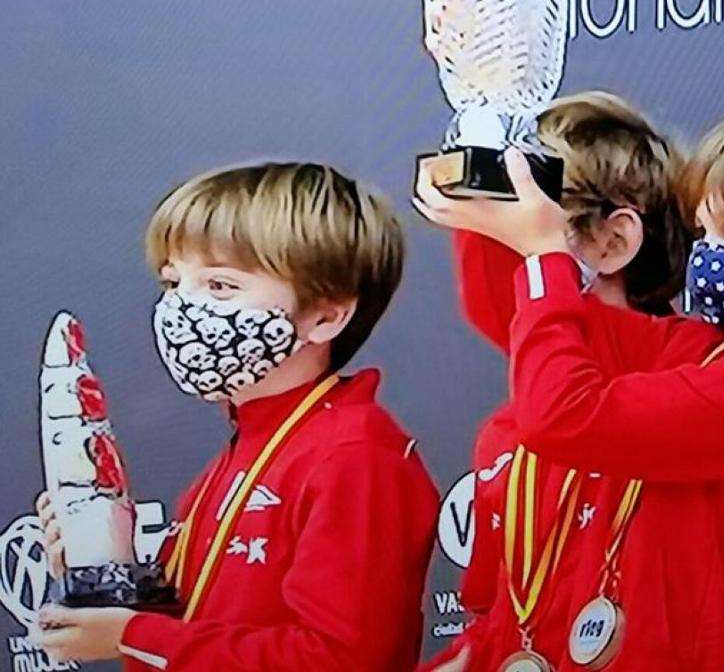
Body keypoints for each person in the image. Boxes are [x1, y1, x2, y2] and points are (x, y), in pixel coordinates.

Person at [415, 97, 724, 670]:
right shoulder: (708, 348)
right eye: (706, 231)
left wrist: (546, 251)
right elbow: (523, 317)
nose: (713, 254)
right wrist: (490, 175)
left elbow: (566, 414)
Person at [38, 162, 439, 671]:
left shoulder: (355, 455)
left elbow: (340, 659)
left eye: (220, 286)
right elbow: (205, 627)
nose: (182, 309)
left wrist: (135, 635)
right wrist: (106, 572)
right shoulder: (238, 456)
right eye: (173, 282)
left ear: (326, 316)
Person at [420, 91, 695, 672]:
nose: (499, 257)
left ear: (613, 242)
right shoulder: (505, 431)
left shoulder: (689, 383)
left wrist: (543, 257)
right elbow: (504, 619)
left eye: (526, 232)